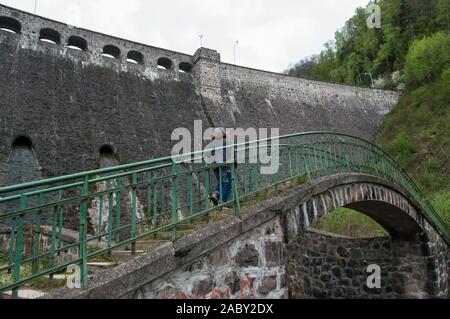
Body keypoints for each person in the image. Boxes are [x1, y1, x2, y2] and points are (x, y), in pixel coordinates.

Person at [208, 128, 233, 206]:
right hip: (224, 165)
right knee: (226, 183)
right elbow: (231, 152)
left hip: (215, 166)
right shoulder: (225, 141)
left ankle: (215, 195)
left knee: (222, 182)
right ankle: (222, 202)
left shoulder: (212, 143)